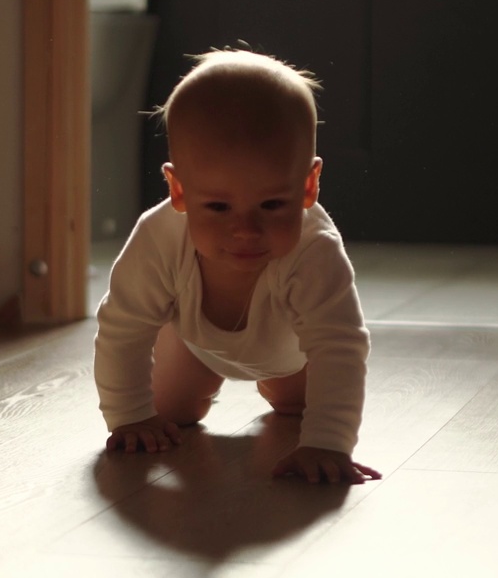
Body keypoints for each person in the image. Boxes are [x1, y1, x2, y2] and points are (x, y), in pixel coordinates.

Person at [93, 48, 380, 484]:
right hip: (194, 343)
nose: (245, 230)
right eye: (219, 206)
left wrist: (328, 443)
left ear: (308, 185)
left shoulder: (314, 249)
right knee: (171, 413)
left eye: (270, 204)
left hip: (293, 355)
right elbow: (122, 328)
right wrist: (128, 417)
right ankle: (188, 355)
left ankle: (280, 389)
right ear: (179, 190)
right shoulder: (158, 237)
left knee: (298, 406)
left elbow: (339, 348)